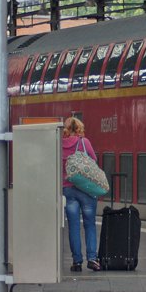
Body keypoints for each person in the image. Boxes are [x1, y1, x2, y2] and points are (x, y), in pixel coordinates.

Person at [61, 116, 101, 272]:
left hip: (68, 190)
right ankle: (92, 259)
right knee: (90, 224)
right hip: (86, 189)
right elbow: (94, 160)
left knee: (74, 226)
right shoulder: (84, 142)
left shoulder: (60, 144)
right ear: (79, 129)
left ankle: (77, 261)